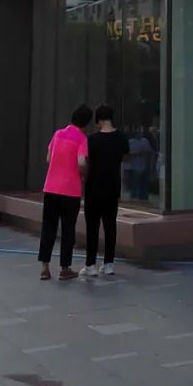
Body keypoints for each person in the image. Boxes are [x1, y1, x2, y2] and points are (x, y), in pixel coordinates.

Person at [38, 105, 90, 281]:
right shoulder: (82, 138)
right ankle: (65, 268)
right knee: (68, 229)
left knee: (48, 227)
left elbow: (48, 158)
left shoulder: (58, 134)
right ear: (86, 123)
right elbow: (81, 162)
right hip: (71, 190)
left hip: (51, 187)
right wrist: (84, 174)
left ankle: (44, 267)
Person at [80, 105, 128, 278]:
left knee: (92, 227)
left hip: (94, 187)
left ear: (99, 120)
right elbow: (124, 157)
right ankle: (109, 264)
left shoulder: (92, 139)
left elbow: (84, 162)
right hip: (113, 186)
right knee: (110, 225)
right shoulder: (121, 138)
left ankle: (90, 265)